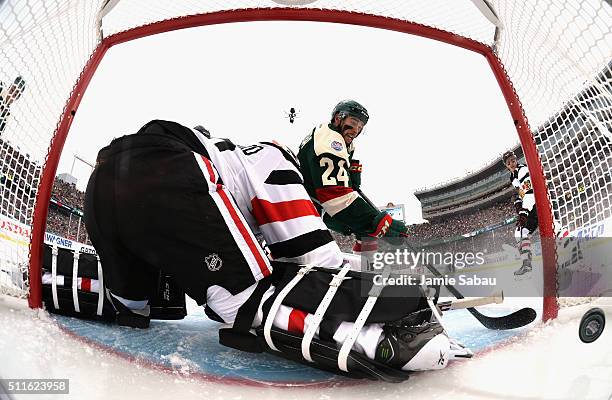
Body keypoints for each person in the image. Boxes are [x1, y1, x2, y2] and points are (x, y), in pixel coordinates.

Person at [84, 119, 470, 381]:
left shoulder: (230, 160)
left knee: (135, 308)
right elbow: (318, 262)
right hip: (167, 169)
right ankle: (382, 341)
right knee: (245, 302)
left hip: (101, 187)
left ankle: (75, 284)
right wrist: (394, 289)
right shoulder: (275, 159)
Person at [297, 100, 408, 263]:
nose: (356, 130)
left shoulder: (338, 138)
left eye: (361, 126)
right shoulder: (330, 140)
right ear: (337, 119)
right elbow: (335, 196)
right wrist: (377, 222)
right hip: (303, 208)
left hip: (312, 203)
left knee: (364, 232)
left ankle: (366, 265)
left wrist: (349, 178)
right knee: (310, 259)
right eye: (353, 122)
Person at [503, 150, 537, 276]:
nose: (511, 163)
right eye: (508, 162)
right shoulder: (512, 177)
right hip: (531, 206)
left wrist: (523, 213)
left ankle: (575, 249)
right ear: (506, 166)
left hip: (538, 204)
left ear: (516, 160)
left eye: (513, 160)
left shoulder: (523, 170)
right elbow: (522, 193)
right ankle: (526, 264)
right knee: (520, 232)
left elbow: (530, 194)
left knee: (555, 228)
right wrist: (517, 201)